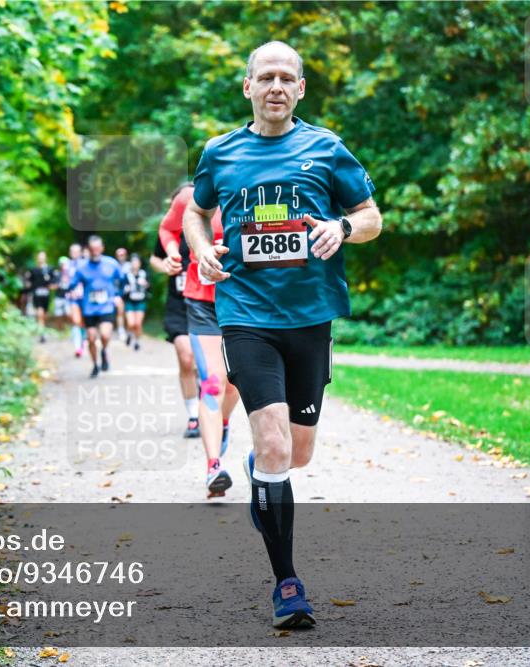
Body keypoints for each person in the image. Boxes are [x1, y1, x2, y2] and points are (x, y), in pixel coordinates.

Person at [184, 41, 382, 628]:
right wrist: (201, 249)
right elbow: (197, 211)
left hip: (310, 317)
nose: (275, 86)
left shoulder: (326, 148)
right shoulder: (220, 152)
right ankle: (287, 583)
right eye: (264, 77)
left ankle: (262, 479)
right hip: (245, 315)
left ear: (299, 89)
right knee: (271, 446)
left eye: (285, 78)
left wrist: (342, 227)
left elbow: (372, 216)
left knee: (295, 453)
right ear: (247, 87)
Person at [160, 185, 240, 498]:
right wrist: (171, 253)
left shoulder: (252, 188)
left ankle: (220, 421)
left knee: (234, 384)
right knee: (212, 382)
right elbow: (167, 229)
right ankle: (213, 467)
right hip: (202, 300)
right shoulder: (188, 197)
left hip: (245, 302)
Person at [150, 213, 200, 439]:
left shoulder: (210, 226)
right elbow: (154, 259)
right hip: (178, 305)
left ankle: (208, 406)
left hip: (207, 304)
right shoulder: (170, 232)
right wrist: (165, 266)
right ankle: (193, 416)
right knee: (186, 357)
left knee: (203, 364)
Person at [67, 235, 125, 378]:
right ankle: (95, 365)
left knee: (105, 335)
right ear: (88, 249)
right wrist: (73, 292)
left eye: (98, 248)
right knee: (91, 338)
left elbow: (123, 280)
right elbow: (72, 285)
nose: (95, 251)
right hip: (89, 308)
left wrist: (118, 295)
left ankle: (104, 351)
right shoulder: (81, 268)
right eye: (92, 249)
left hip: (106, 306)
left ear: (102, 248)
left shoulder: (111, 264)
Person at [24, 251, 55, 343]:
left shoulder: (50, 269)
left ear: (45, 258)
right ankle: (42, 333)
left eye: (43, 257)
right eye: (39, 257)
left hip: (46, 295)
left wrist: (53, 286)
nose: (41, 259)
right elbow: (28, 282)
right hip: (36, 295)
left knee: (44, 315)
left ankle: (43, 329)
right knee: (39, 314)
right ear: (37, 258)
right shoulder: (33, 270)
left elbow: (54, 281)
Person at [61, 243, 86, 357]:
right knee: (76, 321)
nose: (75, 253)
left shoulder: (86, 264)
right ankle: (77, 347)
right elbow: (64, 281)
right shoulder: (67, 266)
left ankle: (83, 342)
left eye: (77, 251)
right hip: (73, 298)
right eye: (73, 251)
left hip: (85, 298)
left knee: (83, 322)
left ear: (80, 252)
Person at [121, 254, 149, 350]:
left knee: (138, 323)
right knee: (131, 323)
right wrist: (126, 289)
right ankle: (129, 334)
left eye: (136, 262)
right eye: (133, 262)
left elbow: (150, 288)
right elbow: (122, 289)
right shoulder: (127, 276)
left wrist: (146, 285)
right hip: (129, 301)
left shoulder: (144, 274)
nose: (135, 264)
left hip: (140, 301)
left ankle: (137, 341)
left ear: (140, 264)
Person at [113, 247, 131, 342]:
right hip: (117, 293)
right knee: (120, 311)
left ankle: (127, 331)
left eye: (123, 255)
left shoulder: (129, 266)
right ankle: (121, 330)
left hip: (129, 293)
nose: (121, 257)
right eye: (119, 255)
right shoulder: (113, 265)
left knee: (128, 313)